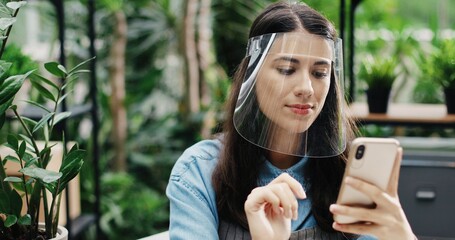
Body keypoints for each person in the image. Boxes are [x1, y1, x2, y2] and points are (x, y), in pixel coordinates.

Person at [166, 1, 416, 239]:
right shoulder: (199, 171)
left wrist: (401, 235)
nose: (306, 88)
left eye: (320, 73)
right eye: (287, 69)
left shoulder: (353, 173)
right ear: (251, 74)